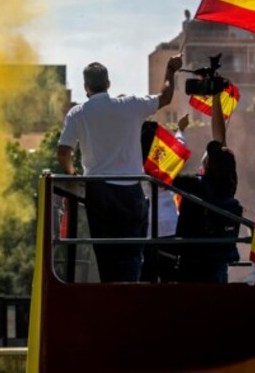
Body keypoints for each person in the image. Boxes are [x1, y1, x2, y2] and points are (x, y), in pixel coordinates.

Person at [57, 56, 181, 282]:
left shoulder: (78, 114)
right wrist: (170, 69)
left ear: (86, 87)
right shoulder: (130, 105)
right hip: (131, 192)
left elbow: (64, 152)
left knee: (106, 256)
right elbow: (166, 97)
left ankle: (111, 301)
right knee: (133, 254)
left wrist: (73, 175)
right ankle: (129, 297)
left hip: (98, 194)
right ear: (108, 84)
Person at [173, 90, 242, 283]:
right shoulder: (229, 184)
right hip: (218, 265)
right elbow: (222, 144)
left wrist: (180, 133)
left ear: (208, 165)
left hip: (192, 266)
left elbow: (166, 172)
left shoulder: (192, 185)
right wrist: (216, 97)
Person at [140, 114, 190, 282]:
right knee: (169, 277)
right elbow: (179, 145)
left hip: (147, 228)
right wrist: (180, 130)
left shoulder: (134, 164)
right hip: (170, 225)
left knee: (147, 276)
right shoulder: (165, 160)